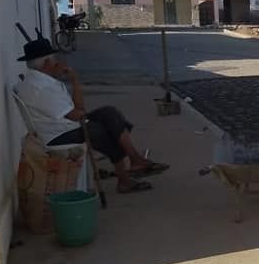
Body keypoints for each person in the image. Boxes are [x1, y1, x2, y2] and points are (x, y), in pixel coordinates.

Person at [14, 38, 167, 193]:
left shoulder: (36, 81)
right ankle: (125, 179)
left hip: (61, 127)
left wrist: (74, 82)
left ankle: (135, 160)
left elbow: (77, 112)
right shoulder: (42, 88)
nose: (58, 62)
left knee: (109, 113)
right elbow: (78, 113)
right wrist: (74, 81)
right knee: (102, 130)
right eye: (55, 59)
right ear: (47, 63)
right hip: (57, 135)